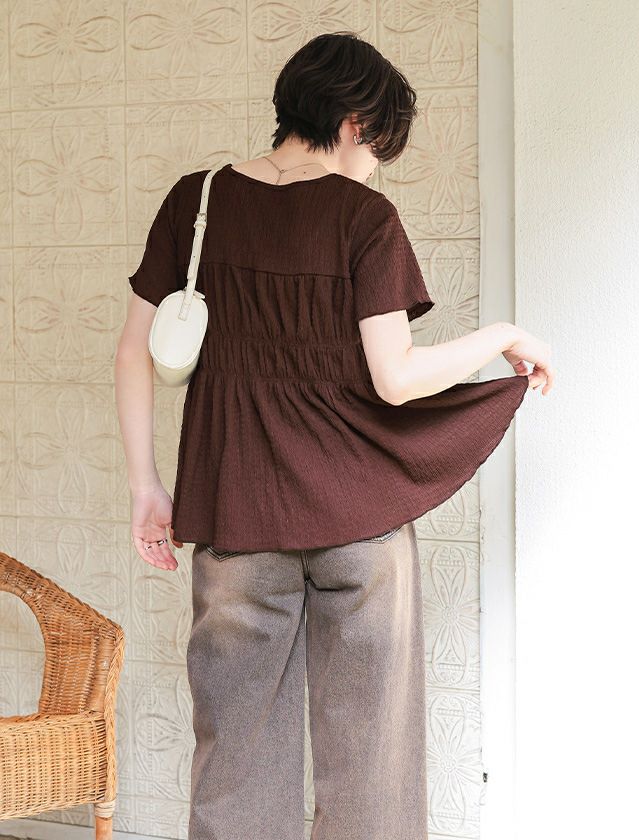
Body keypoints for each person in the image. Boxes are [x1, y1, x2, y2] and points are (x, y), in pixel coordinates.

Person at [115, 30, 553, 840]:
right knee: (372, 759)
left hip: (237, 518)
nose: (375, 166)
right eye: (378, 146)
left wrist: (148, 487)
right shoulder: (364, 216)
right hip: (361, 519)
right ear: (354, 123)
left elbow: (134, 352)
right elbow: (397, 378)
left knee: (236, 754)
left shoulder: (196, 202)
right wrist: (502, 336)